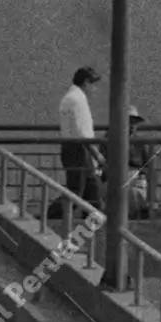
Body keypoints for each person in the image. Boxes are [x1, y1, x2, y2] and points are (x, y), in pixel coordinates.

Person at [57, 66, 102, 222]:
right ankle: (52, 217)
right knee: (78, 191)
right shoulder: (77, 100)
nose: (94, 89)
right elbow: (83, 132)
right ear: (85, 83)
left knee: (90, 190)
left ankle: (92, 223)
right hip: (79, 149)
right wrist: (97, 154)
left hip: (74, 147)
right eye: (93, 84)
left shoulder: (71, 97)